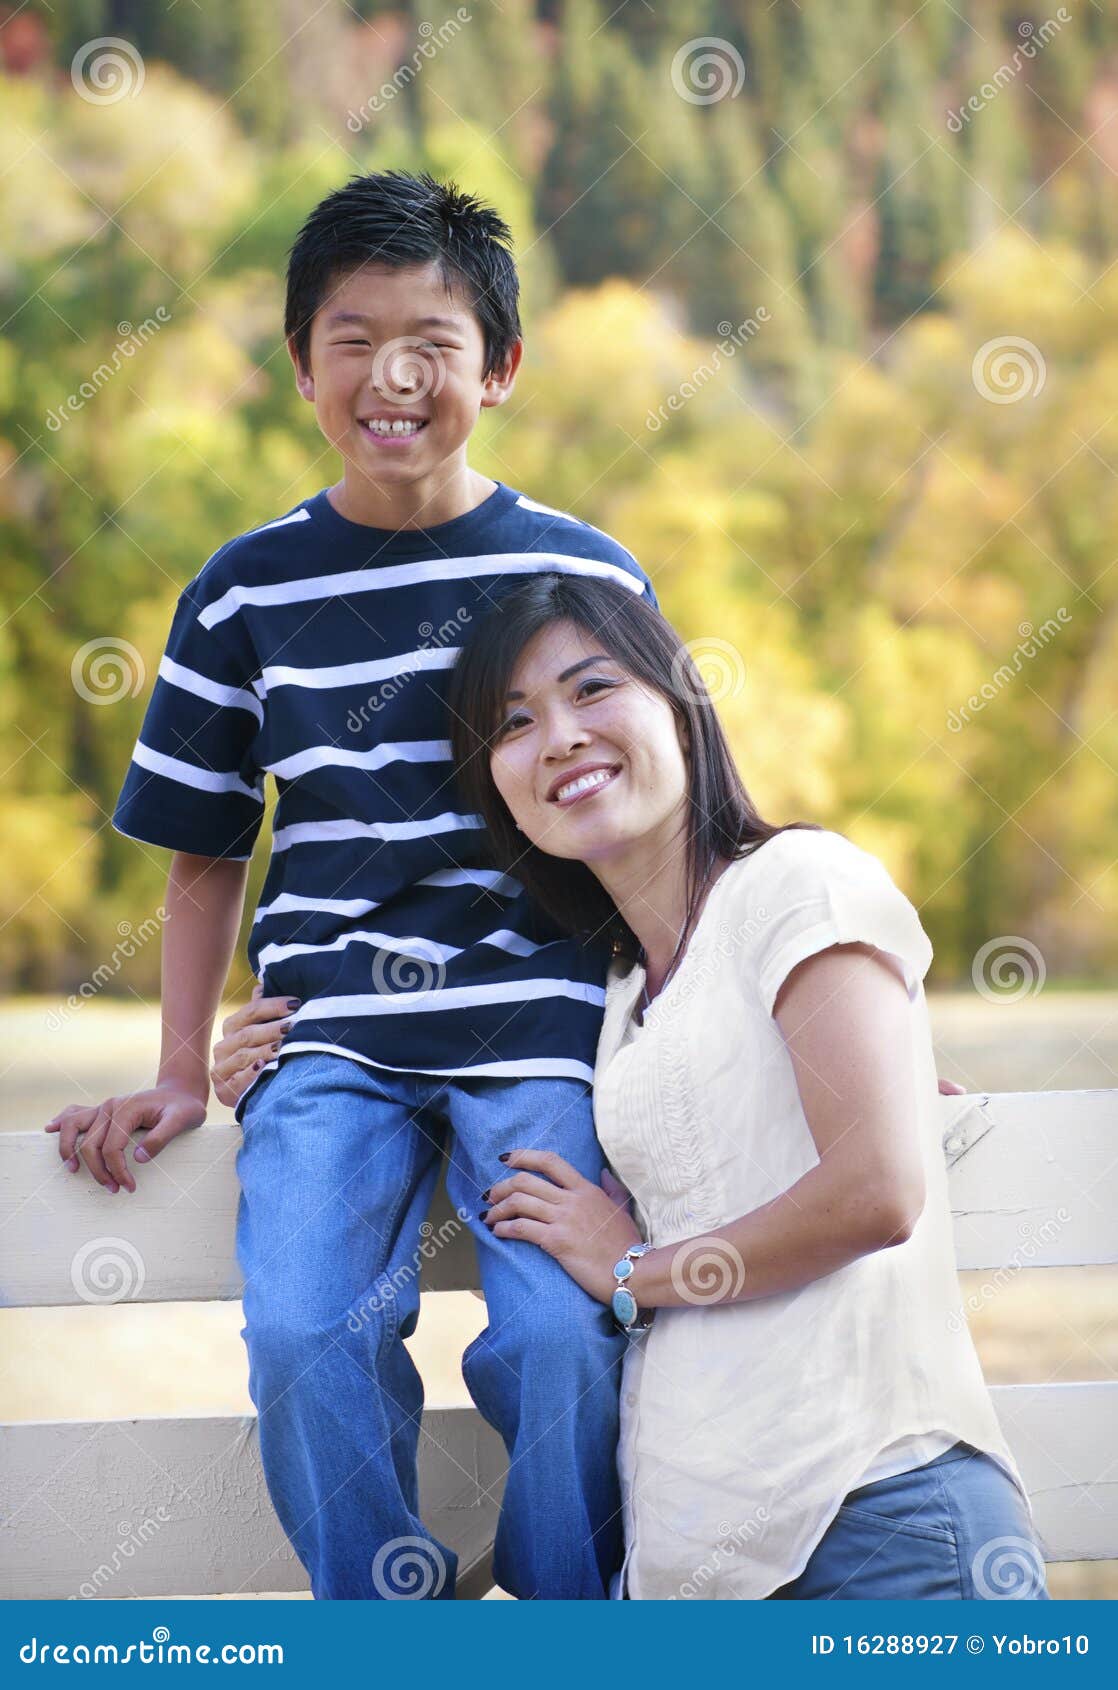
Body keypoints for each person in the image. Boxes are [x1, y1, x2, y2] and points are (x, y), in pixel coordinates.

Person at [43, 173, 660, 1601]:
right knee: (304, 1331)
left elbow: (676, 832)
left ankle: (569, 1618)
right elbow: (204, 852)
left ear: (497, 369)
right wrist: (183, 1069)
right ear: (299, 365)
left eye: (433, 342)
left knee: (567, 1335)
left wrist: (814, 1028)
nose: (393, 376)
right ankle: (385, 1620)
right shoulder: (243, 590)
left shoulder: (580, 569)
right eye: (352, 337)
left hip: (543, 1027)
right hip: (329, 1042)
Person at [441, 571, 1051, 1600]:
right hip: (693, 1573)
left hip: (871, 1527)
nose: (558, 736)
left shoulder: (797, 884)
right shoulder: (619, 992)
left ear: (679, 703)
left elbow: (875, 1192)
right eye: (513, 722)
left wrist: (633, 1269)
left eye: (592, 689)